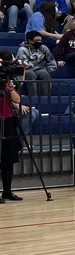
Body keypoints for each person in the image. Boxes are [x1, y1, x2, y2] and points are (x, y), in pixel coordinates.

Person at [0, 64, 25, 201]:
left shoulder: (6, 81)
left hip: (8, 119)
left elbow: (17, 100)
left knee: (9, 158)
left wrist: (10, 88)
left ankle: (7, 191)